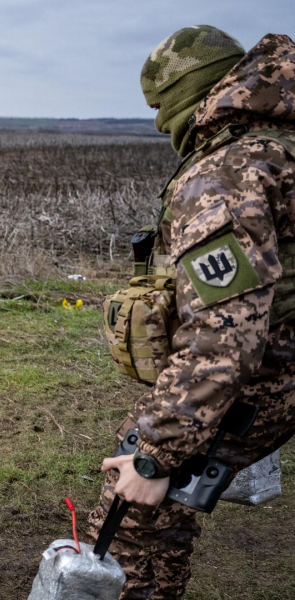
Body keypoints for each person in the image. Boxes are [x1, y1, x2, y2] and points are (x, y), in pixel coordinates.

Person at [87, 26, 295, 599]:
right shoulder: (282, 142)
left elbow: (222, 340)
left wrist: (154, 457)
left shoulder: (226, 177)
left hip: (276, 367)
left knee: (132, 512)